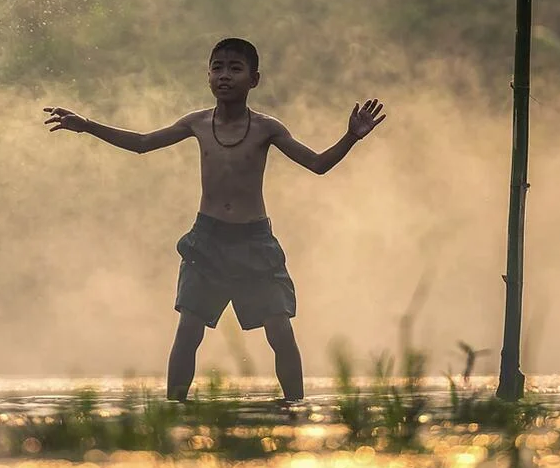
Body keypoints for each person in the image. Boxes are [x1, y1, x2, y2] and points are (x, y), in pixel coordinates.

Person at [43, 37, 385, 402]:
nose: (224, 76)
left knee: (280, 332)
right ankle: (173, 410)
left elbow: (317, 165)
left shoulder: (268, 128)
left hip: (254, 242)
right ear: (207, 76)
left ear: (254, 79)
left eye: (235, 69)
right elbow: (143, 142)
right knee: (188, 331)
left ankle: (295, 408)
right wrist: (88, 126)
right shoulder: (198, 123)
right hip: (207, 242)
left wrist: (351, 137)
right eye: (217, 68)